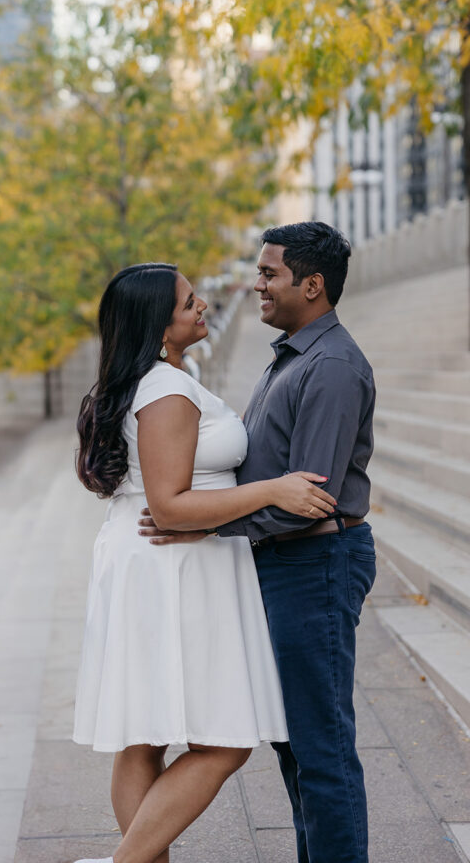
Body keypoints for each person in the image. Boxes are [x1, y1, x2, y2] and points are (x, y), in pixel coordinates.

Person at [71, 261, 336, 863]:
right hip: (172, 568)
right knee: (223, 741)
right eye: (189, 302)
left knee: (144, 737)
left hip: (158, 562)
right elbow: (169, 506)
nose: (203, 307)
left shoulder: (162, 376)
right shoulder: (165, 388)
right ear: (156, 325)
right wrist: (274, 491)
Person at [141, 222, 377, 863]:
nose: (258, 284)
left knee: (320, 744)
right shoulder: (294, 356)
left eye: (270, 274)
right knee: (295, 744)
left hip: (316, 563)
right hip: (283, 564)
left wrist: (204, 522)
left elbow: (310, 501)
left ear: (313, 283)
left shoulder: (329, 367)